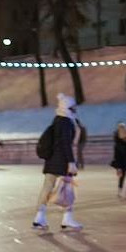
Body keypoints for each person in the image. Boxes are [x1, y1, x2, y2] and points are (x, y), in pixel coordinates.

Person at [32, 93, 82, 231]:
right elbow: (66, 143)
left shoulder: (57, 120)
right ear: (67, 107)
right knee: (68, 189)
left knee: (47, 187)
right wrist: (71, 162)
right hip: (63, 160)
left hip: (52, 160)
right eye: (73, 107)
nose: (75, 110)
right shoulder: (66, 122)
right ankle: (67, 218)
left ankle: (39, 217)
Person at [110, 122, 126, 198]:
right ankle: (120, 189)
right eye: (124, 138)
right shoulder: (118, 144)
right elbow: (117, 156)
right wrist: (118, 167)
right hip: (122, 161)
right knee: (122, 175)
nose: (125, 139)